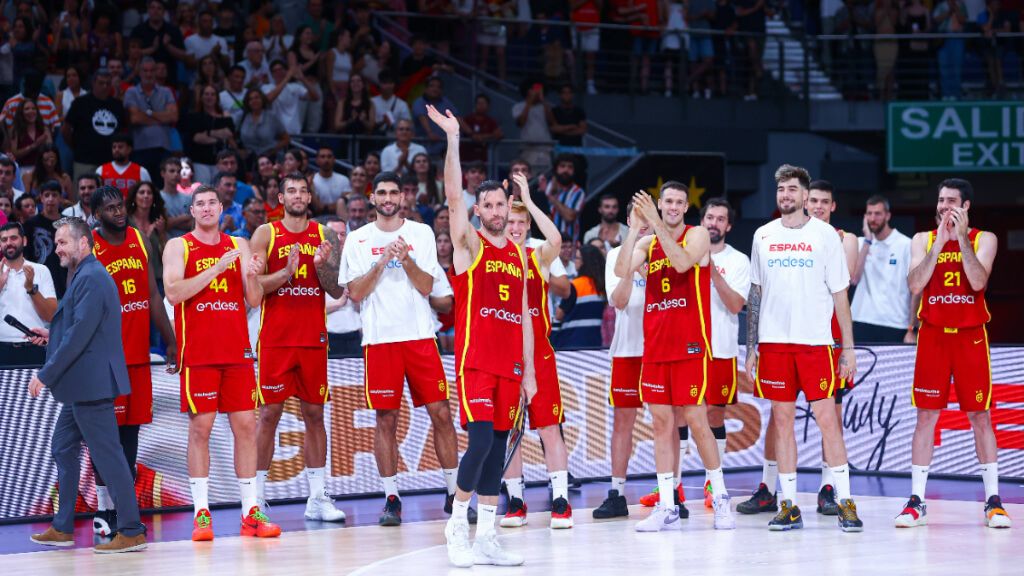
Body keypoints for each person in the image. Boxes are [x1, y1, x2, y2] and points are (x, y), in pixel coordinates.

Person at [428, 104, 533, 567]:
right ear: (478, 210)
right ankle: (457, 524)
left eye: (500, 204)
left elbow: (524, 316)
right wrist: (453, 139)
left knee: (498, 452)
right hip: (476, 364)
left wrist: (529, 373)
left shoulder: (519, 254)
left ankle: (487, 537)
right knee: (482, 443)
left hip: (511, 366)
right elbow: (453, 196)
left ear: (510, 207)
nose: (494, 210)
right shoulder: (469, 245)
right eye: (486, 205)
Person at [340, 169, 465, 527]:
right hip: (380, 341)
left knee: (441, 413)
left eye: (394, 192)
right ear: (372, 198)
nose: (388, 198)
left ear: (403, 197)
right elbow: (356, 293)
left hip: (420, 337)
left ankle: (454, 494)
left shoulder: (421, 233)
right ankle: (391, 498)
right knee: (386, 419)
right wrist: (382, 260)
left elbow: (427, 287)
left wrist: (406, 259)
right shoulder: (358, 239)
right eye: (382, 193)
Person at [744, 164, 862, 532]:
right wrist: (751, 347)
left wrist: (848, 348)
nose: (786, 195)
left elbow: (840, 295)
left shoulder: (825, 236)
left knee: (829, 422)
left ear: (805, 195)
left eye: (792, 189)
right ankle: (789, 504)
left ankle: (845, 501)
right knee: (782, 423)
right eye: (781, 189)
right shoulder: (763, 235)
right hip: (774, 345)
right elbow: (755, 293)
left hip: (815, 344)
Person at [162, 185, 280, 541]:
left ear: (222, 208)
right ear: (191, 211)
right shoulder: (178, 246)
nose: (207, 208)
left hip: (237, 352)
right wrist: (215, 268)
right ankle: (201, 514)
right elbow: (173, 293)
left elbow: (254, 300)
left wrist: (252, 274)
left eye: (212, 202)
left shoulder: (238, 244)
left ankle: (250, 512)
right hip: (199, 353)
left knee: (246, 426)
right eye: (200, 204)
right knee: (201, 429)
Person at [26, 216, 147, 553]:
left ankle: (132, 530)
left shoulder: (92, 276)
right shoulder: (84, 275)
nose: (58, 249)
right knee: (62, 447)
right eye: (57, 243)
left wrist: (46, 373)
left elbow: (81, 335)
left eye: (63, 242)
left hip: (91, 385)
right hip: (83, 386)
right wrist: (50, 334)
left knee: (109, 458)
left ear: (83, 243)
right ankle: (63, 526)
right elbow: (80, 326)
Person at [896, 178, 1010, 529]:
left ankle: (993, 501)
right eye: (941, 200)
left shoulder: (984, 238)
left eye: (951, 201)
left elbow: (977, 282)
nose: (944, 206)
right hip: (933, 336)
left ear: (966, 206)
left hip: (970, 337)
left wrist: (959, 239)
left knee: (980, 416)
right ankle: (916, 502)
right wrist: (939, 244)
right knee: (926, 417)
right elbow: (915, 284)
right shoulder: (922, 239)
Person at [250, 172, 347, 522]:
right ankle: (255, 499)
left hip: (312, 339)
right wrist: (286, 272)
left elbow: (336, 290)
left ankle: (317, 498)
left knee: (315, 415)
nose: (297, 196)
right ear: (281, 198)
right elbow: (254, 288)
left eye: (303, 191)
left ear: (309, 197)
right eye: (290, 190)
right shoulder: (266, 233)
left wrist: (322, 267)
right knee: (268, 415)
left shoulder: (325, 235)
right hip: (276, 340)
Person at [88, 186, 176, 536]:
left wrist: (171, 340)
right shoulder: (90, 246)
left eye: (120, 206)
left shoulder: (139, 239)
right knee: (104, 437)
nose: (118, 212)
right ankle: (104, 507)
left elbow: (152, 294)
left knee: (130, 435)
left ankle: (122, 505)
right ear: (97, 214)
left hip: (138, 357)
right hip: (105, 360)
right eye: (110, 208)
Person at [499, 180, 573, 530]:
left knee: (548, 428)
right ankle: (516, 501)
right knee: (509, 432)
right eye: (510, 221)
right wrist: (496, 203)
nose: (515, 227)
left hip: (539, 354)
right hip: (503, 355)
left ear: (528, 225)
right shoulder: (490, 255)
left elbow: (555, 240)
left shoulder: (537, 255)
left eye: (520, 222)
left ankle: (561, 500)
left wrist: (528, 200)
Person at [591, 200, 648, 518]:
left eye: (648, 218)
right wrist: (632, 267)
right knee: (623, 423)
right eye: (637, 218)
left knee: (670, 422)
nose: (643, 224)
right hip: (627, 350)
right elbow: (620, 301)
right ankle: (617, 493)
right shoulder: (615, 255)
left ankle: (673, 492)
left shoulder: (669, 253)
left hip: (660, 350)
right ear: (628, 221)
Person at [697, 198, 750, 508]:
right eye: (710, 217)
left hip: (721, 349)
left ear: (728, 226)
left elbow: (735, 305)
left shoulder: (739, 260)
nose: (714, 223)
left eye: (720, 219)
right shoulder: (685, 253)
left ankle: (712, 481)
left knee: (714, 414)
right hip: (688, 349)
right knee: (681, 416)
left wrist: (713, 272)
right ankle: (673, 487)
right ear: (701, 221)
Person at [851, 195, 915, 343]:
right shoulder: (861, 243)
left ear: (888, 216)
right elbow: (854, 279)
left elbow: (915, 290)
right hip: (861, 319)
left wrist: (911, 328)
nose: (873, 218)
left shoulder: (906, 244)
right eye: (869, 213)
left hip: (895, 323)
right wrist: (867, 241)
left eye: (878, 214)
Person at [0, 221, 57, 366]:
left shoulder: (41, 270)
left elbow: (51, 316)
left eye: (13, 238)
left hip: (34, 347)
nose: (8, 243)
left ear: (24, 241)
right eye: (4, 239)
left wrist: (31, 289)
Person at [123, 57, 179, 184]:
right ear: (139, 72)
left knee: (162, 187)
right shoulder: (131, 92)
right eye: (145, 70)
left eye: (152, 70)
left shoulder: (166, 91)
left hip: (163, 148)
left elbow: (173, 117)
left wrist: (148, 113)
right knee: (141, 188)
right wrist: (162, 118)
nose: (148, 74)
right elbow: (135, 118)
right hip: (139, 148)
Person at [323, 217, 361, 356]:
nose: (339, 238)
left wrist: (357, 298)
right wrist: (338, 303)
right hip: (326, 335)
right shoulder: (313, 266)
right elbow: (308, 310)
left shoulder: (357, 264)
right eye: (334, 234)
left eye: (343, 234)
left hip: (355, 335)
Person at [23, 182, 68, 296]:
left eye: (54, 195)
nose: (50, 199)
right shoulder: (30, 224)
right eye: (47, 195)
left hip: (64, 281)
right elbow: (26, 255)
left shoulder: (68, 224)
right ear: (41, 198)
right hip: (38, 281)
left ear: (61, 198)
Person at [547, 154, 585, 241]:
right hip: (547, 241)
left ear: (574, 171)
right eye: (562, 166)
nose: (566, 170)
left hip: (569, 243)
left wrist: (553, 199)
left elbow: (569, 216)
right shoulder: (547, 186)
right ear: (556, 169)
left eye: (570, 167)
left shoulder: (578, 192)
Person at [459, 93, 503, 164]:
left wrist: (481, 137)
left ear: (488, 106)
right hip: (466, 158)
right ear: (475, 105)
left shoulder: (491, 121)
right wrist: (474, 135)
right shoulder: (468, 119)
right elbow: (460, 125)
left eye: (483, 103)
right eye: (479, 103)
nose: (481, 106)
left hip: (484, 160)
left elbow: (499, 134)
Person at [159, 157, 193, 239]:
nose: (175, 174)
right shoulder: (157, 197)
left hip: (186, 243)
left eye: (178, 171)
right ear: (163, 173)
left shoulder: (188, 198)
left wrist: (170, 222)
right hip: (166, 243)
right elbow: (160, 225)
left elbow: (194, 224)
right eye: (172, 171)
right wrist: (183, 218)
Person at [312, 147, 352, 214]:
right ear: (317, 160)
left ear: (334, 159)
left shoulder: (344, 180)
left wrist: (326, 207)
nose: (326, 160)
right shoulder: (312, 180)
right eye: (322, 156)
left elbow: (345, 203)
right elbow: (317, 207)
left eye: (329, 156)